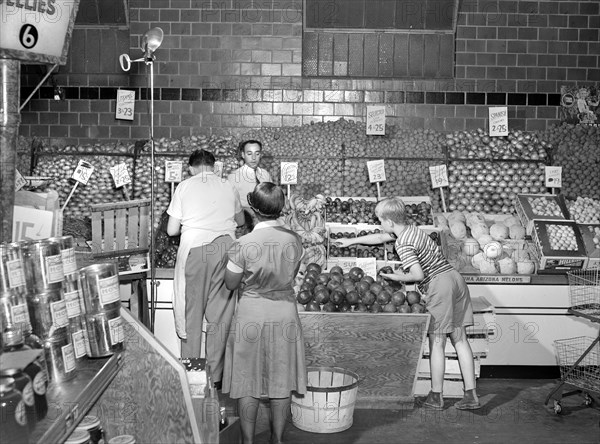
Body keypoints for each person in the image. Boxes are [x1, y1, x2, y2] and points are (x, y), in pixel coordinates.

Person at [334, 197, 480, 410]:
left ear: (390, 222)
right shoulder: (412, 230)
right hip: (455, 279)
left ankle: (436, 396)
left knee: (437, 341)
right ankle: (471, 395)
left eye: (380, 220)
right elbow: (382, 236)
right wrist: (351, 241)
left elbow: (417, 274)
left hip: (440, 285)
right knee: (459, 339)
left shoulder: (403, 243)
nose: (380, 224)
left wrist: (395, 277)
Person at [222, 182, 307, 444]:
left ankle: (247, 440)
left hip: (252, 313)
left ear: (253, 208)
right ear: (280, 209)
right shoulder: (295, 240)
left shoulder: (243, 243)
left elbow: (231, 283)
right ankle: (277, 439)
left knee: (247, 379)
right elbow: (290, 276)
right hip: (285, 314)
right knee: (281, 379)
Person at [166, 149, 245, 387]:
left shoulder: (184, 187)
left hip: (197, 251)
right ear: (214, 166)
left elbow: (171, 231)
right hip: (226, 249)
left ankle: (193, 377)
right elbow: (240, 221)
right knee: (220, 316)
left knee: (192, 314)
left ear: (190, 168)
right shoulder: (228, 185)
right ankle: (216, 378)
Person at [227, 140, 272, 232]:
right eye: (249, 154)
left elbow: (271, 198)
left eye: (257, 153)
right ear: (243, 155)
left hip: (265, 223)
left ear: (261, 155)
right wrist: (248, 211)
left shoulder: (265, 174)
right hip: (245, 225)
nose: (254, 158)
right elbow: (229, 204)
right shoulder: (234, 177)